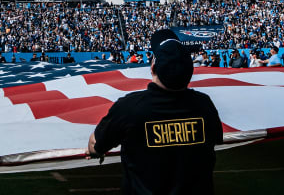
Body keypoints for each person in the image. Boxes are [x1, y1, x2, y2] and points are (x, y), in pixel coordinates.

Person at [87, 29, 223, 194]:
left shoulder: (129, 108)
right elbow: (216, 138)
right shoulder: (204, 105)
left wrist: (94, 148)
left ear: (152, 68)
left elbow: (96, 145)